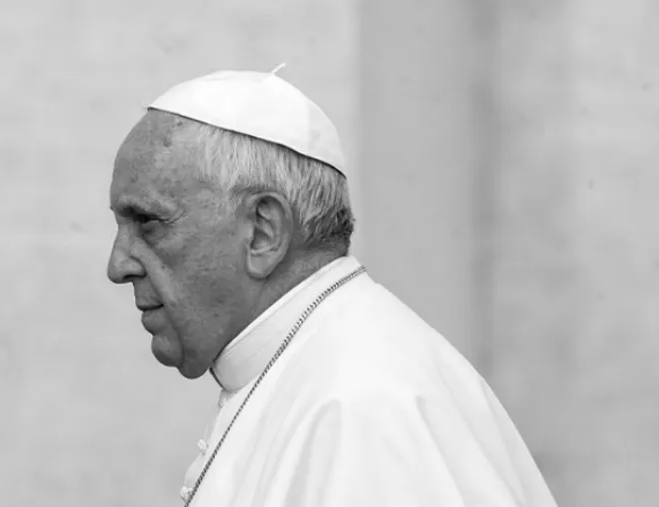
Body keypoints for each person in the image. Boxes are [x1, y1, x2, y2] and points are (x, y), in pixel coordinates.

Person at [106, 67, 557, 507]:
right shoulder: (319, 370)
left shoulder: (364, 406)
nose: (118, 265)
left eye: (147, 222)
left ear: (263, 232)